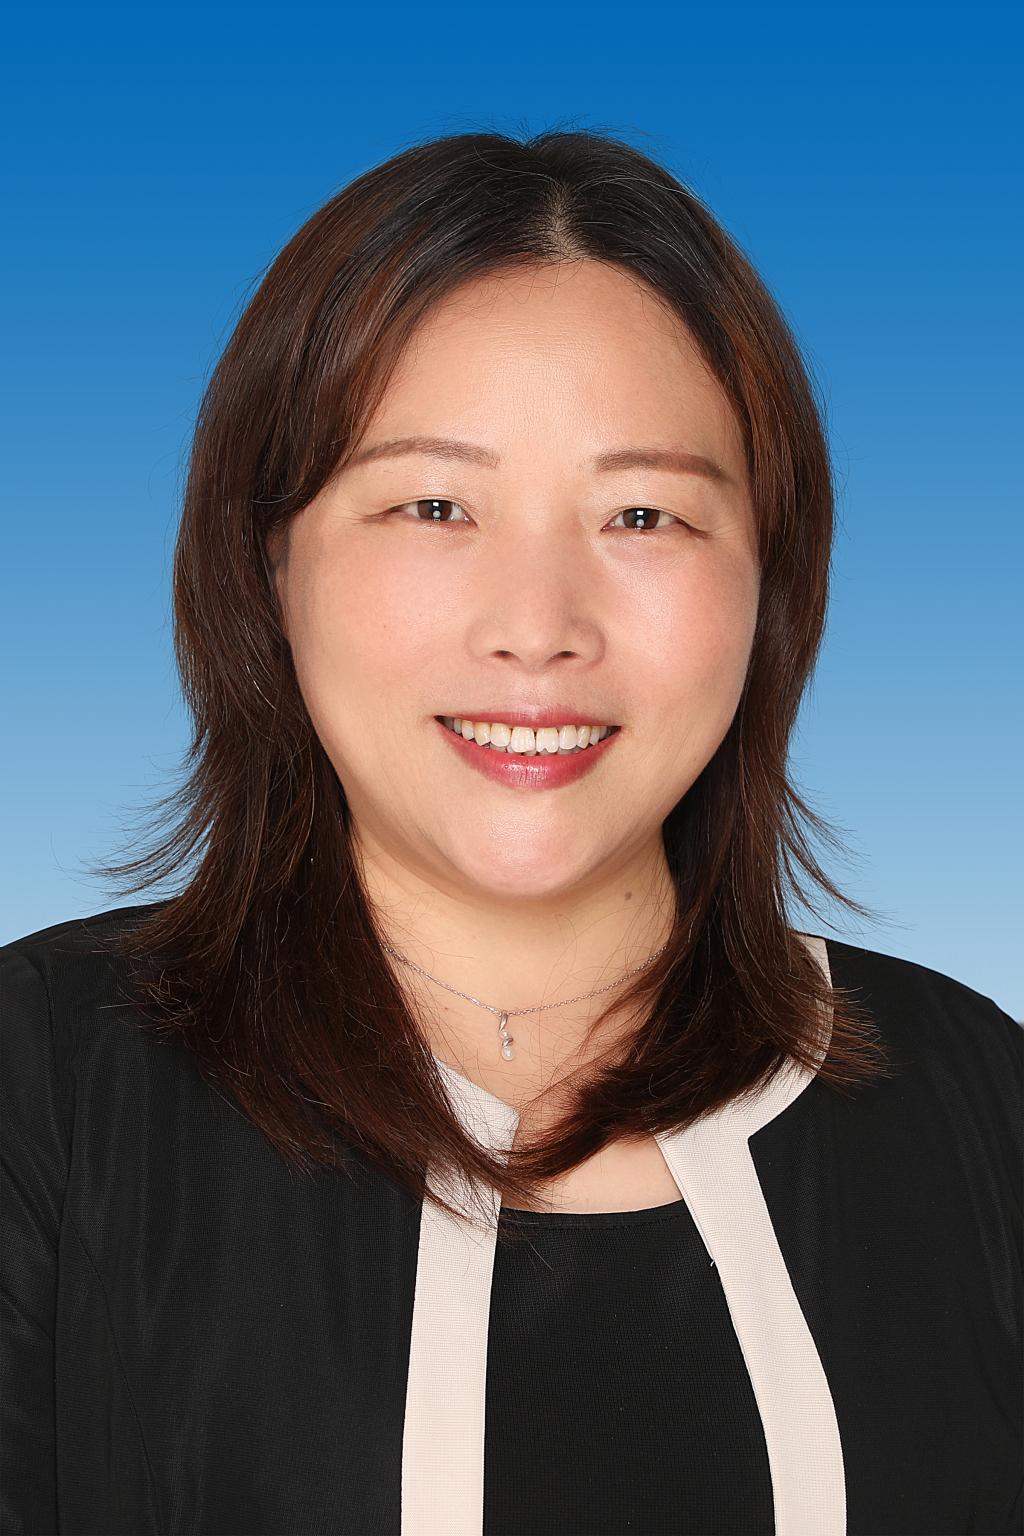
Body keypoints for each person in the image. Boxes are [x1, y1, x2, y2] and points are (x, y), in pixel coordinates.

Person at [1, 127, 1020, 1536]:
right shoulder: (47, 1087)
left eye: (642, 515)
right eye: (434, 506)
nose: (538, 629)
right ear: (267, 563)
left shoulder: (977, 1102)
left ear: (771, 581)